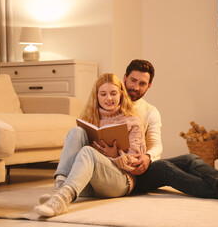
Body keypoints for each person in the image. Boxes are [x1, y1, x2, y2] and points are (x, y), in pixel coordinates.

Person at [123, 59, 218, 201]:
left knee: (189, 159)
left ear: (149, 86)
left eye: (142, 84)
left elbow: (156, 144)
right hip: (127, 176)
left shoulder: (150, 111)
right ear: (124, 78)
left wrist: (148, 157)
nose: (136, 87)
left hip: (142, 167)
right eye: (133, 80)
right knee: (163, 167)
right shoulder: (110, 104)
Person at [34, 73, 146, 217]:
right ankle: (58, 191)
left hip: (119, 182)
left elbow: (136, 162)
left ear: (121, 95)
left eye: (113, 93)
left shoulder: (133, 122)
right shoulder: (89, 118)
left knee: (88, 151)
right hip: (89, 182)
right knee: (76, 131)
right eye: (103, 94)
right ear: (97, 96)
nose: (109, 98)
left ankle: (61, 199)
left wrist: (116, 155)